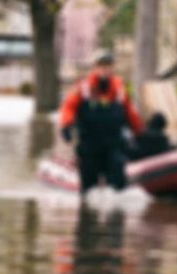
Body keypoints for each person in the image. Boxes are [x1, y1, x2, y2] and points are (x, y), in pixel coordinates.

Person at [59, 51, 143, 194]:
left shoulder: (118, 89)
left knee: (118, 180)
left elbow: (129, 113)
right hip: (90, 145)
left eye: (108, 66)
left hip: (113, 144)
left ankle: (116, 212)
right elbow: (69, 107)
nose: (105, 69)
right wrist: (66, 125)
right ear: (95, 68)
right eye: (101, 66)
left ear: (112, 68)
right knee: (88, 189)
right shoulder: (83, 88)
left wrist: (140, 133)